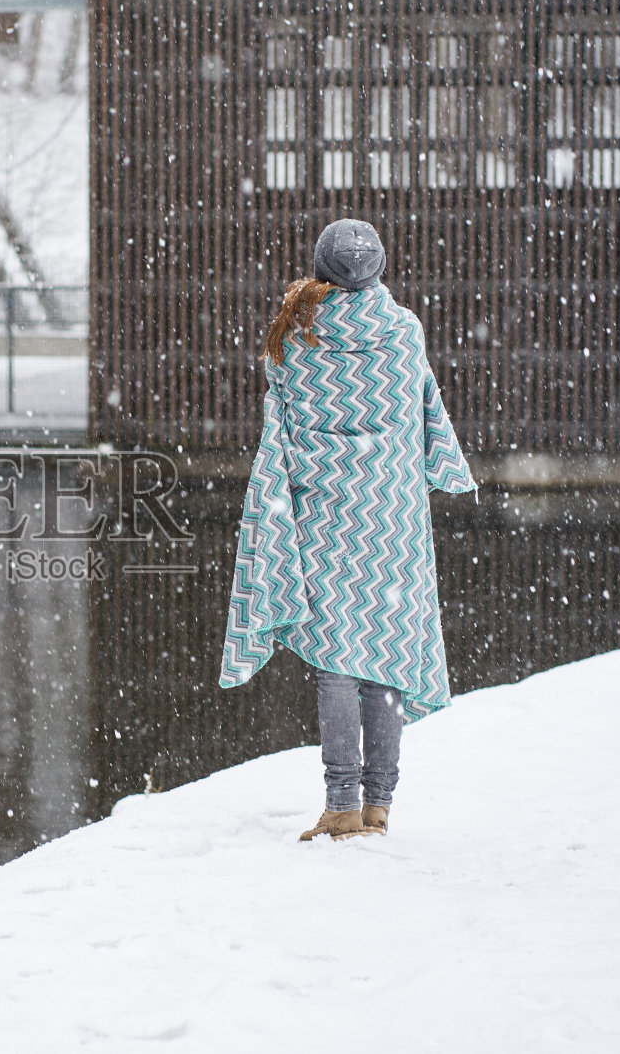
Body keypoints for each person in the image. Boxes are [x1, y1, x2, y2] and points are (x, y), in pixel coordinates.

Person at [219, 218, 477, 841]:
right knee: (384, 655)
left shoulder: (295, 337)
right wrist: (441, 467)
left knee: (336, 659)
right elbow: (426, 411)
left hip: (324, 511)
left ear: (321, 269)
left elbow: (278, 429)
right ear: (377, 268)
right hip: (392, 511)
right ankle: (379, 804)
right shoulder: (403, 330)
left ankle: (341, 805)